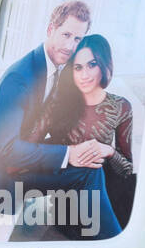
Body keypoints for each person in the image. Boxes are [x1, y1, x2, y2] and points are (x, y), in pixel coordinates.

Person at [0, 0, 122, 240]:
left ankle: (97, 239)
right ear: (50, 29)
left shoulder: (55, 68)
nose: (69, 45)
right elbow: (7, 151)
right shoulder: (19, 77)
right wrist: (69, 154)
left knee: (92, 162)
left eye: (77, 39)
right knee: (87, 170)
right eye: (66, 34)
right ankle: (111, 243)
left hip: (22, 162)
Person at [26, 34, 136, 236]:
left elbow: (127, 170)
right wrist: (69, 153)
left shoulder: (121, 106)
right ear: (71, 71)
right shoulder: (57, 102)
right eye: (78, 67)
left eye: (91, 64)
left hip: (103, 193)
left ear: (103, 64)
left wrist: (109, 151)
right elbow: (28, 150)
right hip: (65, 194)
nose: (84, 75)